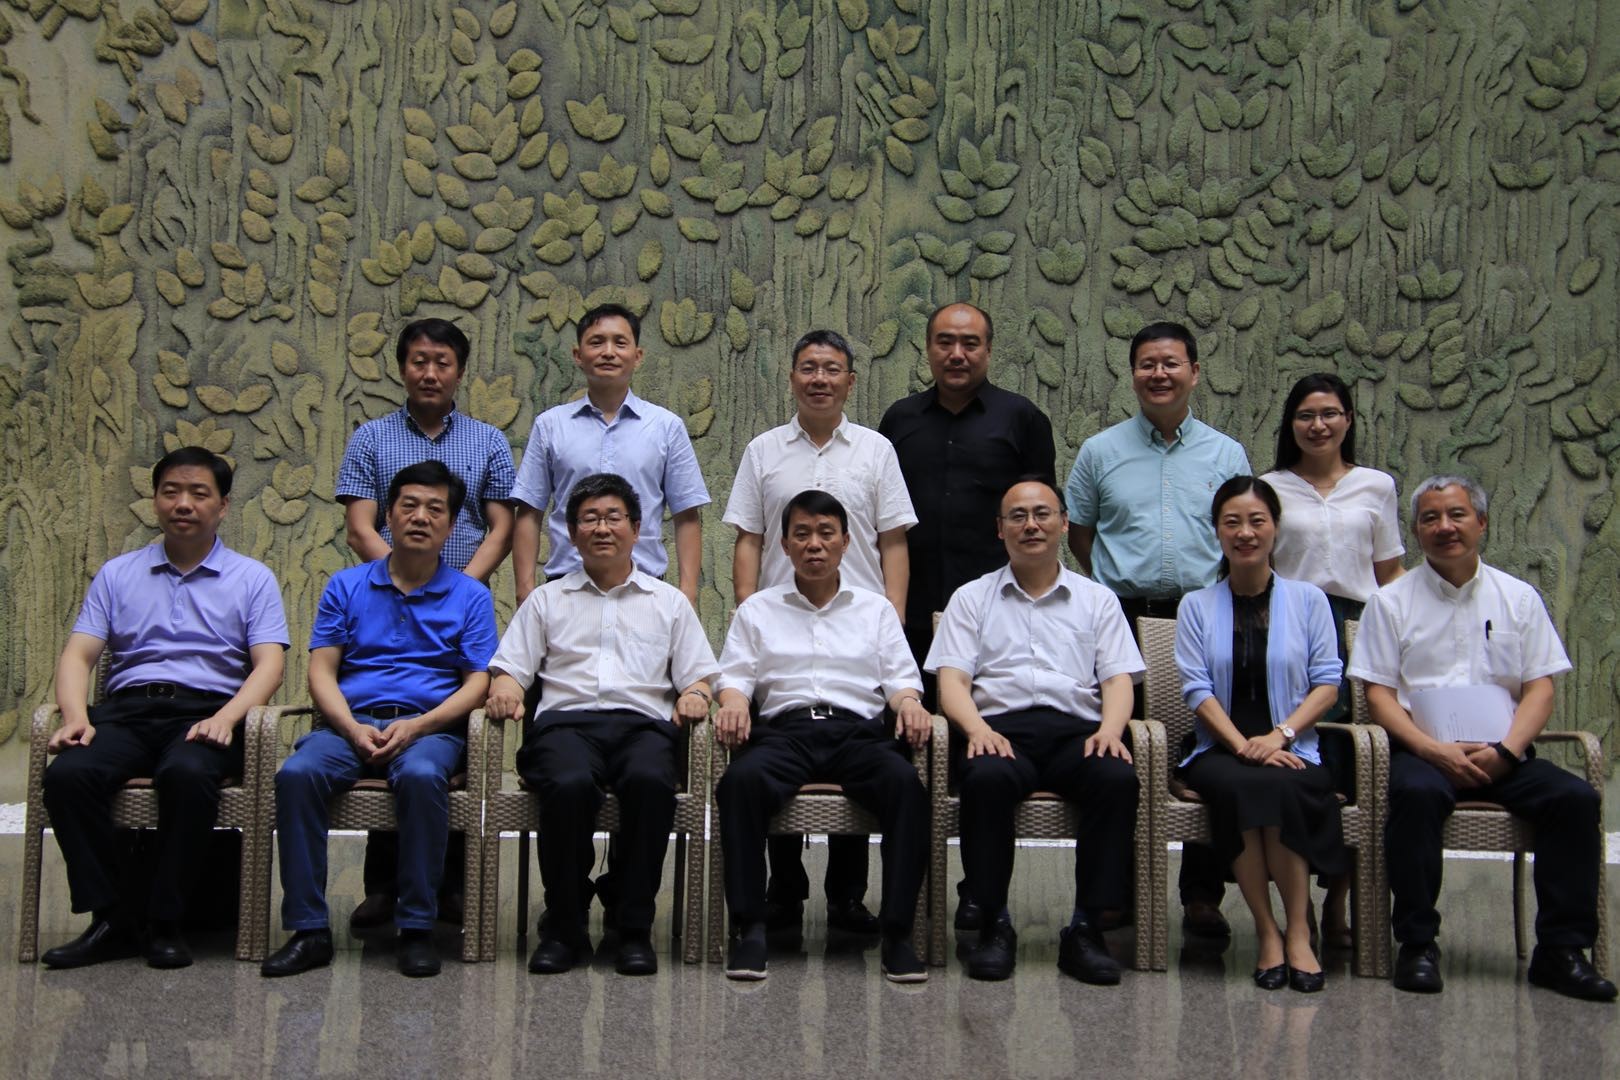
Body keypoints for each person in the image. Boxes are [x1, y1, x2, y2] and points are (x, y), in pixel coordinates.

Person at [1347, 475, 1615, 1001]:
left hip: (1504, 754)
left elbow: (1540, 689)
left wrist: (1507, 751)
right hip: (1423, 753)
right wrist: (1430, 750)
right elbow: (1378, 696)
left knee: (1575, 799)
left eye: (1457, 515)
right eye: (1430, 518)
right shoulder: (1390, 602)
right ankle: (1418, 944)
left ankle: (1561, 951)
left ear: (1482, 522)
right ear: (1416, 532)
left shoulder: (1519, 597)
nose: (1444, 527)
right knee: (1414, 794)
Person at [40, 447, 288, 969]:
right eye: (171, 492)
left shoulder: (252, 578)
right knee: (68, 776)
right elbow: (79, 655)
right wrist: (75, 717)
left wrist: (226, 718)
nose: (183, 504)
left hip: (207, 713)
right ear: (155, 500)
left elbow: (269, 665)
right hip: (127, 713)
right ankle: (112, 917)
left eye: (199, 493)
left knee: (187, 774)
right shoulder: (118, 574)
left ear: (222, 506)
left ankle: (166, 922)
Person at [263, 461, 498, 979]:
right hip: (350, 725)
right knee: (296, 775)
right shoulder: (346, 586)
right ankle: (308, 930)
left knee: (421, 776)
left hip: (428, 729)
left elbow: (477, 683)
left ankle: (416, 927)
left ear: (452, 525)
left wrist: (420, 725)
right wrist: (350, 727)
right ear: (387, 516)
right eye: (408, 506)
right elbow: (321, 671)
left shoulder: (471, 596)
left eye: (435, 509)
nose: (420, 517)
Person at [724, 328, 917, 936]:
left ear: (850, 382)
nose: (820, 379)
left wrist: (891, 616)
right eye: (808, 367)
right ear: (792, 378)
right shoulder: (763, 451)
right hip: (780, 626)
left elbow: (893, 540)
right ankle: (782, 894)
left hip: (859, 627)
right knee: (776, 749)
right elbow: (749, 537)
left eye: (832, 369)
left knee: (859, 741)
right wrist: (750, 609)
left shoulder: (876, 451)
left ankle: (846, 898)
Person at [485, 472, 718, 977]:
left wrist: (697, 694)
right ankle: (564, 926)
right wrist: (506, 689)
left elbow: (699, 676)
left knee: (650, 781)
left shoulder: (668, 602)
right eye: (589, 518)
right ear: (572, 533)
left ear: (637, 529)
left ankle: (630, 926)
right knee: (568, 784)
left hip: (643, 727)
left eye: (614, 517)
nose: (602, 528)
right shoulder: (547, 600)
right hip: (566, 726)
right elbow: (510, 669)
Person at [1065, 319, 1249, 940]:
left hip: (1202, 615)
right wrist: (1116, 583)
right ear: (1133, 374)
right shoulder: (1100, 451)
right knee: (1119, 750)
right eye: (1147, 364)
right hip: (1121, 615)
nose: (1159, 374)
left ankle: (1201, 894)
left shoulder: (1226, 454)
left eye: (1171, 363)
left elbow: (1240, 529)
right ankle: (1114, 892)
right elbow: (1081, 533)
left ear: (1194, 372)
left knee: (1205, 748)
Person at [879, 301, 1057, 933]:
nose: (958, 354)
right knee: (907, 754)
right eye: (945, 342)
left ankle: (978, 891)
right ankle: (899, 893)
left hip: (994, 622)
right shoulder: (898, 421)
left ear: (988, 349)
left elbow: (1038, 515)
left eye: (971, 343)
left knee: (982, 760)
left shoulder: (1022, 419)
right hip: (908, 618)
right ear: (928, 348)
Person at [336, 316, 515, 931]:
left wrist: (454, 587)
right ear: (402, 367)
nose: (430, 372)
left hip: (457, 603)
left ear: (460, 371)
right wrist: (401, 578)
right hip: (384, 598)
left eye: (443, 362)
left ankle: (450, 886)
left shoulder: (488, 441)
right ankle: (384, 888)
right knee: (384, 713)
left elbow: (501, 527)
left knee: (445, 731)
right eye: (419, 360)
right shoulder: (371, 438)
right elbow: (360, 526)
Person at [928, 479, 1143, 983]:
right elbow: (952, 682)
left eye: (1043, 514)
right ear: (1000, 529)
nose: (1031, 525)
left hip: (1077, 732)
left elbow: (1117, 679)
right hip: (999, 731)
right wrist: (976, 729)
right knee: (985, 779)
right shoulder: (971, 597)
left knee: (1116, 778)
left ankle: (1087, 928)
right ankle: (993, 923)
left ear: (1064, 524)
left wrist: (1112, 730)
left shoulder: (1097, 600)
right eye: (1018, 516)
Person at [715, 489, 932, 982]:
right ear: (784, 545)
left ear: (846, 542)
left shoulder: (876, 610)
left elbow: (901, 681)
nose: (814, 544)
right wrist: (733, 703)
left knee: (904, 786)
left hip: (857, 734)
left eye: (826, 533)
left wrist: (910, 704)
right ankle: (752, 929)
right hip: (784, 734)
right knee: (740, 783)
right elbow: (735, 678)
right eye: (802, 534)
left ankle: (898, 935)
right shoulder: (757, 609)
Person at [1174, 476, 1346, 993]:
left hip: (1295, 745)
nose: (1245, 532)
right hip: (1219, 747)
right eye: (1232, 522)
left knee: (1280, 785)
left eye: (1256, 521)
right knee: (1244, 784)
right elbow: (1197, 690)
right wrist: (1243, 745)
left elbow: (1328, 683)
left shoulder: (1310, 601)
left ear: (1275, 528)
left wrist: (1280, 736)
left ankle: (1298, 932)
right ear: (1217, 532)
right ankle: (1268, 930)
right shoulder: (1196, 605)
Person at [1259, 371, 1404, 946]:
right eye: (1305, 415)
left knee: (1354, 766)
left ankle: (1340, 900)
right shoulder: (1270, 486)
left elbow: (1390, 573)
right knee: (1298, 759)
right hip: (1289, 627)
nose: (1317, 425)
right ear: (1290, 423)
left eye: (1329, 414)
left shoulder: (1377, 485)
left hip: (1361, 629)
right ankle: (1296, 904)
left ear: (1348, 420)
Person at [510, 302, 708, 606]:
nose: (608, 352)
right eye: (597, 342)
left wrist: (687, 593)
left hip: (646, 590)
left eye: (620, 342)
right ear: (577, 355)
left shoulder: (666, 427)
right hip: (565, 589)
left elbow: (687, 515)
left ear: (637, 356)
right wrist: (525, 591)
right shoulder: (550, 425)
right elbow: (529, 511)